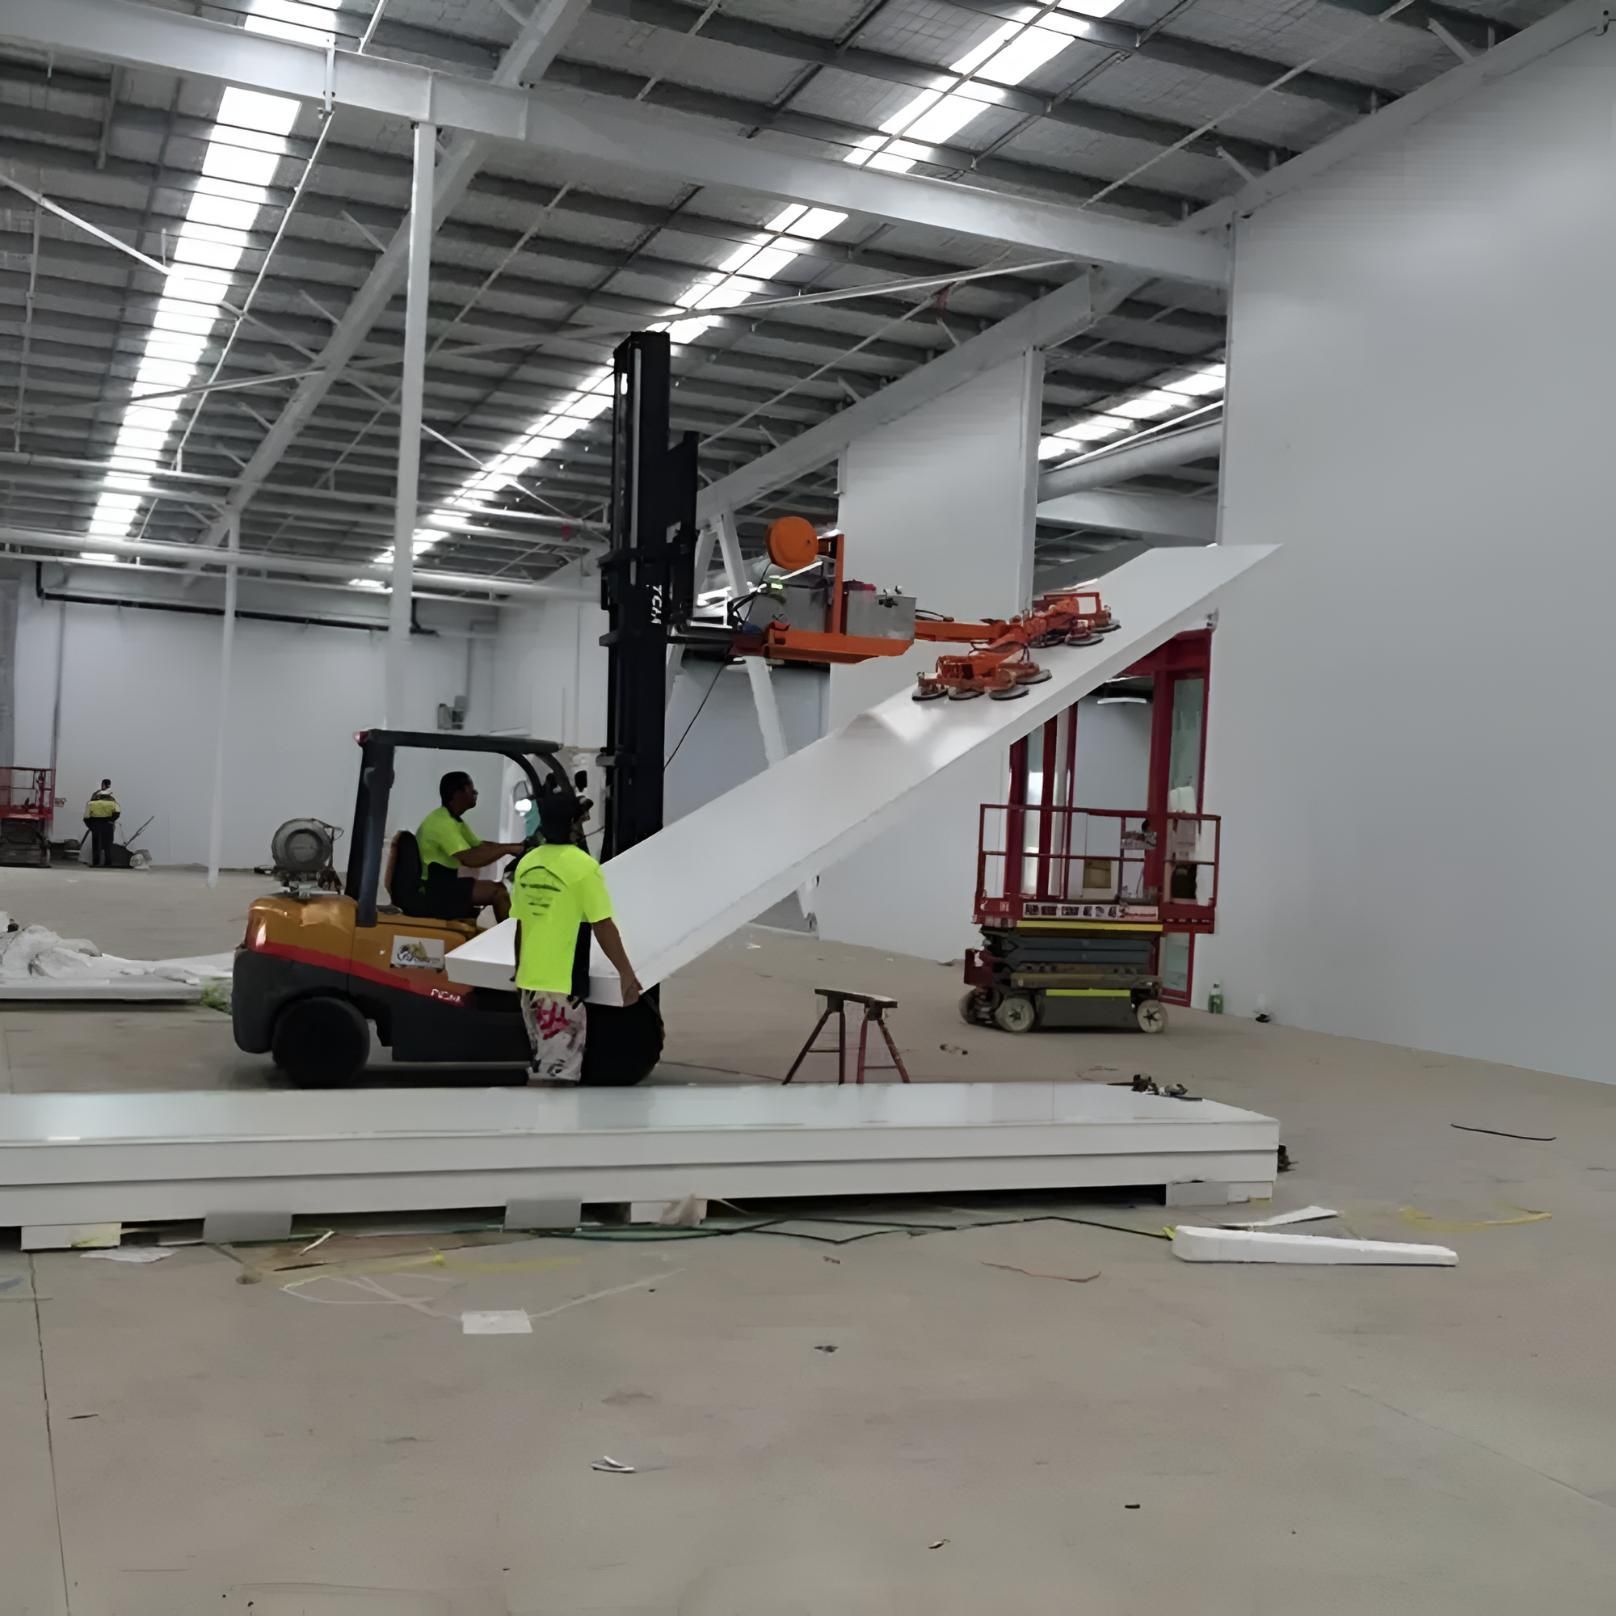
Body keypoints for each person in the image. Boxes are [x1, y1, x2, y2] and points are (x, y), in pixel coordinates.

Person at [510, 787, 641, 1085]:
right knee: (558, 1076)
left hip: (530, 982)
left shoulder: (527, 864)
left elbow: (521, 924)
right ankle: (553, 1129)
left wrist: (519, 971)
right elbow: (603, 926)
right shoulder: (583, 868)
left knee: (543, 1064)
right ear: (574, 824)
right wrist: (626, 973)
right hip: (562, 986)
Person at [415, 770, 523, 923]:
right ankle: (511, 942)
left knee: (497, 889)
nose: (475, 793)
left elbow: (479, 846)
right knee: (498, 892)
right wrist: (507, 849)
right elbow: (470, 859)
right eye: (471, 789)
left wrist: (514, 847)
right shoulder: (442, 824)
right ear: (458, 793)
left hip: (443, 884)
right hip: (435, 890)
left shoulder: (454, 820)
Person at [83, 778, 120, 868]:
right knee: (108, 845)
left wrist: (91, 826)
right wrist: (111, 821)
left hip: (96, 824)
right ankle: (108, 862)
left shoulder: (92, 802)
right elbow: (117, 813)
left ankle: (96, 862)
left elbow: (86, 817)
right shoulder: (112, 801)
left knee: (96, 844)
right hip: (108, 824)